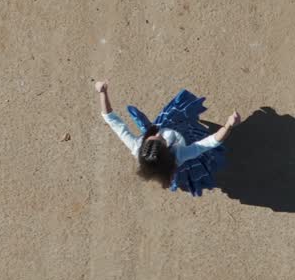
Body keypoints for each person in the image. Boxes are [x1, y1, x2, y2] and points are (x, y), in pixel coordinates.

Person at [96, 79, 240, 195]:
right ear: (168, 152)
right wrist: (228, 125)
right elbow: (210, 142)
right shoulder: (180, 154)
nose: (158, 133)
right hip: (183, 134)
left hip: (171, 131)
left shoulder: (135, 146)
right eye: (161, 139)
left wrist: (103, 93)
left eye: (152, 137)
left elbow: (113, 121)